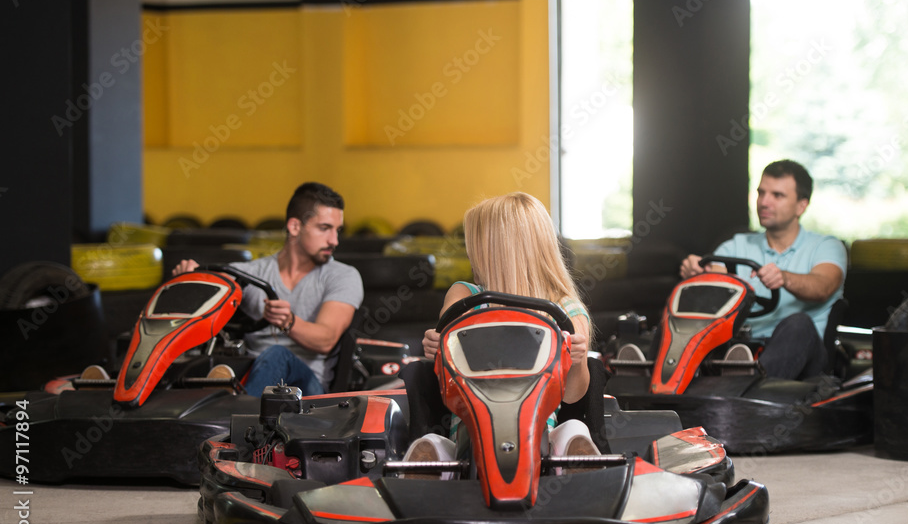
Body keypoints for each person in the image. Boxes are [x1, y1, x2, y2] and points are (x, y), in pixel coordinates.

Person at [405, 192, 600, 473]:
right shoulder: (465, 296)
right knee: (434, 442)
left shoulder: (565, 309)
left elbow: (572, 396)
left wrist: (578, 359)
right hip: (470, 429)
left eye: (474, 245)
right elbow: (445, 380)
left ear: (497, 249)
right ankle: (433, 458)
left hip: (539, 433)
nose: (470, 253)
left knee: (572, 428)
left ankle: (573, 457)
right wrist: (437, 346)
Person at [172, 182, 363, 396]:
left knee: (277, 355)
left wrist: (288, 321)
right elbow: (214, 282)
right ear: (294, 227)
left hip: (309, 391)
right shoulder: (253, 272)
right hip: (253, 376)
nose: (334, 240)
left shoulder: (343, 276)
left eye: (337, 230)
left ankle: (236, 419)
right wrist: (189, 280)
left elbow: (326, 340)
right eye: (325, 228)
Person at [679, 159, 847, 380]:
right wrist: (698, 274)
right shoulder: (737, 245)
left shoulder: (826, 246)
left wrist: (784, 278)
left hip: (804, 358)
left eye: (777, 196)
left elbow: (823, 286)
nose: (764, 202)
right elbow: (716, 277)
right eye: (761, 193)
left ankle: (747, 385)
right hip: (739, 347)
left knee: (798, 323)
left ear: (801, 205)